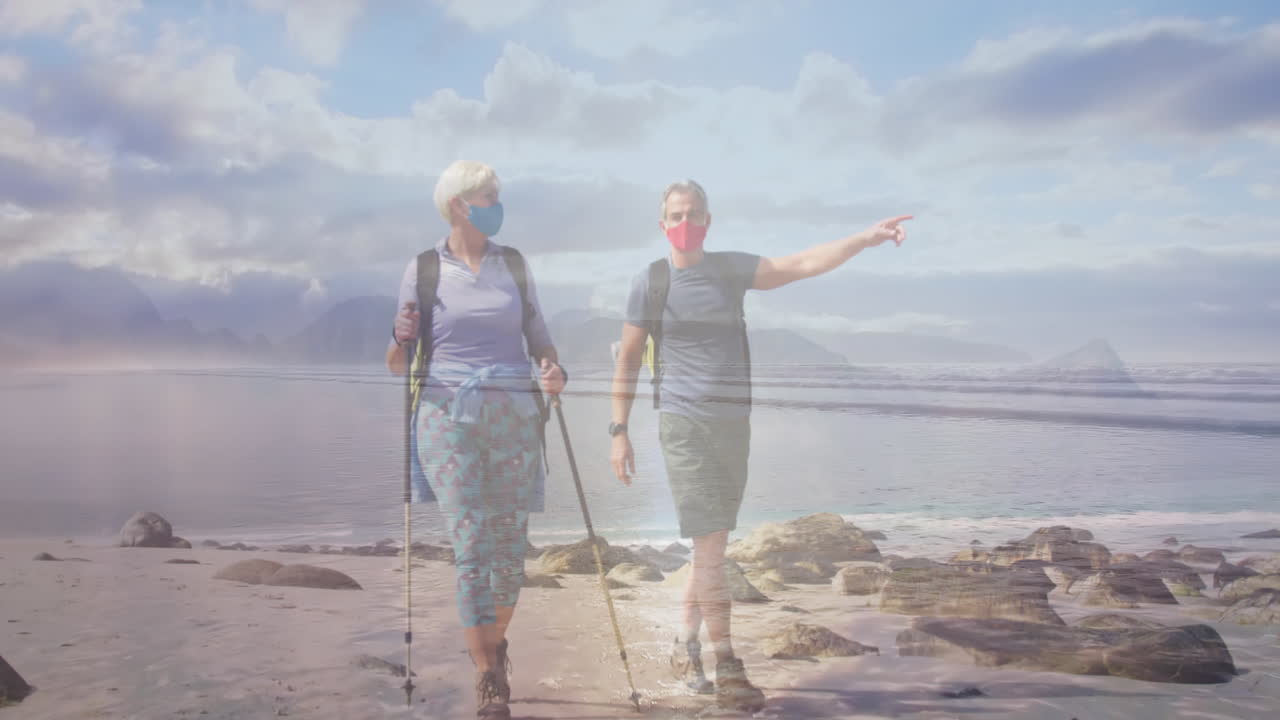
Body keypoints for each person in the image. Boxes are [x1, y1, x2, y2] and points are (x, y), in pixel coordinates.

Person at [608, 179, 910, 712]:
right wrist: (618, 431)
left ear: (708, 219)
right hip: (684, 428)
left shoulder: (728, 270)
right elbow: (628, 359)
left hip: (733, 427)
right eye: (676, 214)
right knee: (711, 549)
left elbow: (801, 264)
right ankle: (727, 663)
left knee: (712, 546)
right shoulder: (650, 282)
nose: (685, 222)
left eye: (694, 213)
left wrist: (865, 239)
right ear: (663, 225)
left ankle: (684, 644)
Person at [387, 160, 566, 720]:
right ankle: (489, 675)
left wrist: (552, 369)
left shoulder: (512, 264)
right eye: (490, 195)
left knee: (510, 557)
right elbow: (397, 364)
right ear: (460, 204)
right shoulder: (423, 269)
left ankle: (495, 643)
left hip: (514, 417)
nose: (498, 202)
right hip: (445, 419)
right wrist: (401, 338)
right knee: (471, 549)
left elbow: (539, 337)